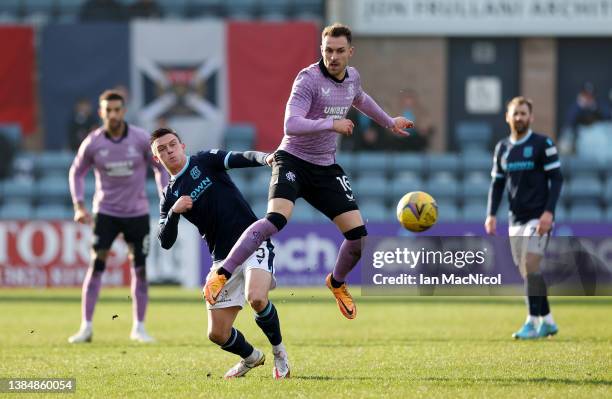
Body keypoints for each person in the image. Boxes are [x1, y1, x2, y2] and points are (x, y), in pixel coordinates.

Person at [204, 23, 413, 319]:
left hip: (325, 167)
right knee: (275, 220)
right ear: (321, 50)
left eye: (340, 51)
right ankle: (222, 274)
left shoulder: (352, 77)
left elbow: (360, 98)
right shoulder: (308, 80)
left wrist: (389, 121)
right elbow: (291, 124)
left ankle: (336, 282)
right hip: (292, 160)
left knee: (358, 239)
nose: (333, 56)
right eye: (328, 50)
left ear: (350, 52)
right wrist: (331, 123)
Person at [150, 128, 290, 379]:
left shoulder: (204, 161)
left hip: (252, 243)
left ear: (182, 146)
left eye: (172, 145)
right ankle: (251, 357)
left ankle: (280, 355)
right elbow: (165, 242)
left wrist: (266, 158)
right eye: (161, 149)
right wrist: (174, 212)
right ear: (156, 159)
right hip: (222, 259)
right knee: (217, 334)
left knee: (256, 298)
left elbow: (239, 157)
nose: (168, 150)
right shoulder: (169, 196)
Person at [68, 90, 168, 344]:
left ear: (123, 111)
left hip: (136, 213)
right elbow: (76, 172)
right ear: (101, 113)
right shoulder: (93, 142)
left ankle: (139, 327)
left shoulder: (140, 139)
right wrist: (79, 205)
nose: (112, 115)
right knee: (97, 265)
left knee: (141, 270)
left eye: (117, 110)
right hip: (106, 212)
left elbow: (160, 167)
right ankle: (86, 327)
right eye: (107, 110)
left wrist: (165, 195)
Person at [485, 96, 563, 340]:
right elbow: (497, 184)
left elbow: (557, 178)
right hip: (515, 218)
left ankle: (530, 322)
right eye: (515, 113)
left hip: (538, 217)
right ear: (507, 117)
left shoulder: (543, 144)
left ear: (531, 117)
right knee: (529, 273)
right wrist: (491, 214)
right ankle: (548, 321)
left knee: (530, 265)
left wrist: (549, 212)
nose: (519, 117)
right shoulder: (502, 149)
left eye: (523, 113)